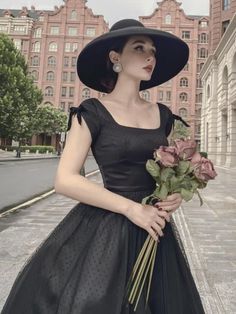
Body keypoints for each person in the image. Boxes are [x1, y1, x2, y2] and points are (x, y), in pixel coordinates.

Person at [1, 19, 205, 314]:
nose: (150, 57)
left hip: (154, 230)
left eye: (153, 51)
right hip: (106, 230)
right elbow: (65, 180)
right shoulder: (91, 112)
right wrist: (132, 209)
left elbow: (169, 169)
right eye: (139, 48)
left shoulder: (163, 115)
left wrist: (174, 196)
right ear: (115, 58)